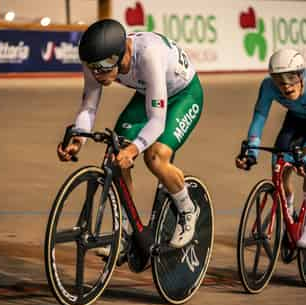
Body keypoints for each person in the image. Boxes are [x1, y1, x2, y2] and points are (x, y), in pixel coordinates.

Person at [57, 19, 204, 249]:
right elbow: (89, 107)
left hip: (184, 95)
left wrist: (134, 149)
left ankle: (187, 210)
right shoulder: (98, 60)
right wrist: (78, 139)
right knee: (115, 154)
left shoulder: (148, 56)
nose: (98, 73)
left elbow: (157, 120)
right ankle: (126, 231)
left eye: (104, 66)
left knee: (154, 157)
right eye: (93, 67)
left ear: (120, 54)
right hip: (149, 91)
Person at [236, 48, 306, 248]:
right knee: (278, 162)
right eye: (279, 79)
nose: (285, 85)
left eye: (290, 78)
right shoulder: (268, 87)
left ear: (301, 75)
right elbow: (259, 118)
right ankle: (289, 212)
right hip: (296, 118)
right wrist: (251, 151)